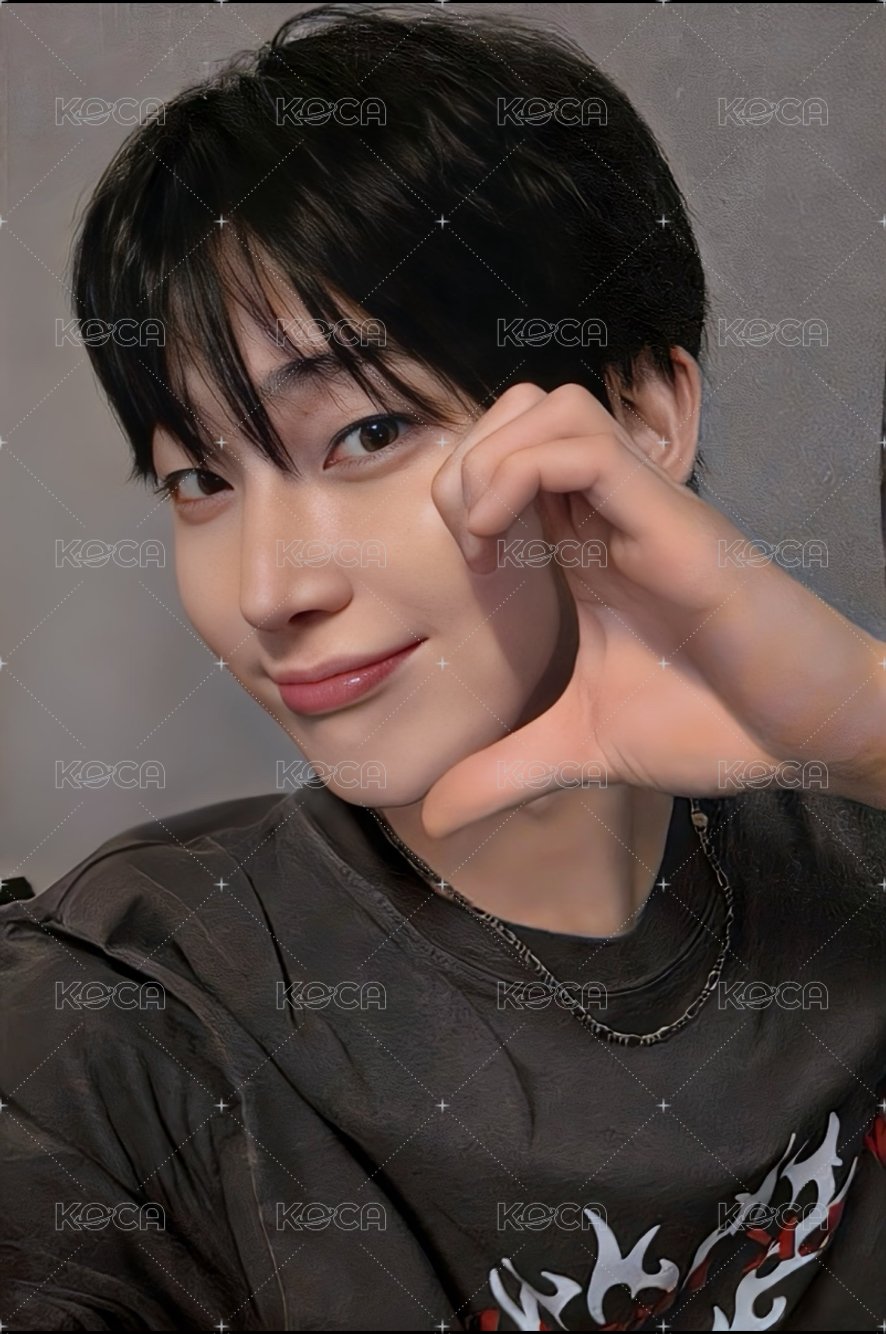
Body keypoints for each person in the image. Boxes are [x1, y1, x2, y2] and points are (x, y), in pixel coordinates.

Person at [2, 5, 884, 1329]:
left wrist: (863, 725)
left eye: (367, 431)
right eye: (199, 479)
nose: (269, 590)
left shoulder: (856, 834)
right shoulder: (120, 1024)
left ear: (638, 417)